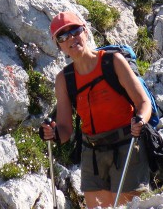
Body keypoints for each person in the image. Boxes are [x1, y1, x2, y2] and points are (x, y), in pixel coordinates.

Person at [41, 11, 152, 208]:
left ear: (85, 31)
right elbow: (65, 130)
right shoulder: (64, 79)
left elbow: (143, 103)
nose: (71, 39)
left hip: (127, 144)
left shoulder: (113, 62)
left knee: (130, 206)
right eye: (62, 36)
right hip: (91, 152)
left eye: (74, 31)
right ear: (58, 45)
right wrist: (53, 133)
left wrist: (141, 120)